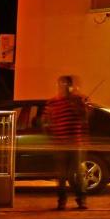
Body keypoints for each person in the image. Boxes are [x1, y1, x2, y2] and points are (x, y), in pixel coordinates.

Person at [44, 75, 90, 210]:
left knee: (78, 173)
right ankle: (61, 201)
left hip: (75, 143)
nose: (63, 87)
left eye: (66, 84)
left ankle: (81, 200)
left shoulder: (77, 100)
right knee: (62, 175)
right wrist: (50, 136)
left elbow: (84, 118)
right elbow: (46, 121)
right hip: (60, 144)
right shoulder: (52, 102)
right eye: (61, 84)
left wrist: (82, 105)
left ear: (71, 86)